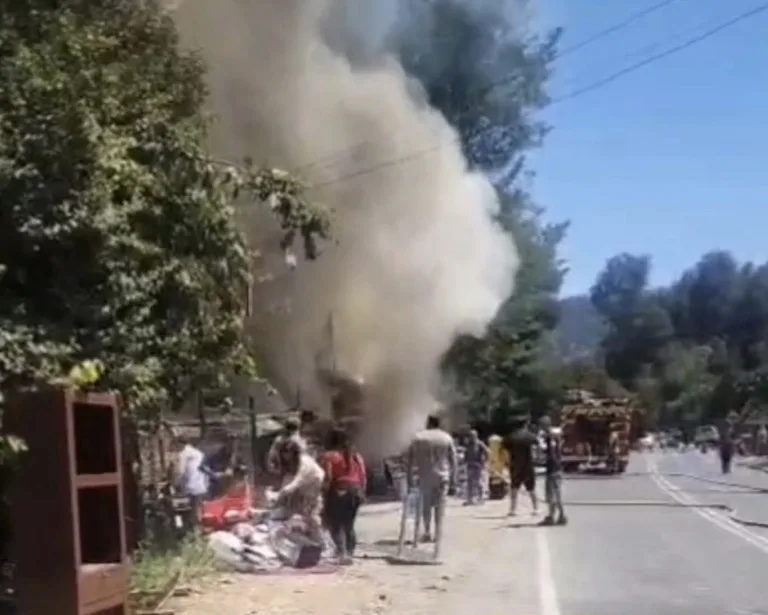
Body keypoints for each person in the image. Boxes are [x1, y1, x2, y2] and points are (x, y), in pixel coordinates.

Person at [406, 413, 457, 543]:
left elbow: (410, 460)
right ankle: (438, 533)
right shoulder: (446, 437)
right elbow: (453, 460)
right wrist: (454, 480)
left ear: (428, 423)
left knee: (426, 506)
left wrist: (410, 478)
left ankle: (427, 532)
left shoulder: (418, 437)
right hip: (442, 476)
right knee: (440, 506)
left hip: (425, 476)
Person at [321, 428, 367, 562]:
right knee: (349, 524)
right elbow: (363, 476)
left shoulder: (328, 456)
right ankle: (350, 553)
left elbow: (328, 477)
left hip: (338, 490)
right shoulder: (356, 456)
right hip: (356, 491)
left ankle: (341, 553)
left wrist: (324, 494)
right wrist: (363, 493)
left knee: (335, 524)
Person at [275, 439, 325, 541]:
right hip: (302, 493)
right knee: (301, 518)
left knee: (313, 518)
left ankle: (322, 543)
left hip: (313, 491)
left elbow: (299, 480)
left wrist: (283, 492)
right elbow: (288, 478)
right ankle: (311, 543)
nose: (285, 456)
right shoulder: (290, 464)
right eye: (283, 452)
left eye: (287, 452)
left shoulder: (304, 462)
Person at [504, 417, 538, 516]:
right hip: (528, 466)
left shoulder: (510, 437)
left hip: (515, 466)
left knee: (514, 488)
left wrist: (507, 463)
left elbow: (505, 451)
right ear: (525, 424)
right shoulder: (530, 436)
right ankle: (535, 509)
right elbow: (536, 449)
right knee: (531, 488)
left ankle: (513, 510)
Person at [172, 435, 209, 522]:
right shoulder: (198, 453)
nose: (175, 447)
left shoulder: (183, 454)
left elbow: (180, 471)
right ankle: (199, 527)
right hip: (200, 485)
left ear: (180, 444)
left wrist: (175, 483)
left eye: (176, 444)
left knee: (186, 510)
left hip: (189, 487)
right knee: (198, 508)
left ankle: (189, 528)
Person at [539, 416, 567, 526]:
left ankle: (552, 516)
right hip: (557, 468)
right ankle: (561, 516)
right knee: (557, 494)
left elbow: (552, 454)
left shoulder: (550, 437)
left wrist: (550, 461)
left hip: (553, 469)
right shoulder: (554, 436)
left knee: (551, 494)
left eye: (542, 425)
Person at [463, 430, 489, 505]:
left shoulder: (480, 443)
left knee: (479, 482)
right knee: (469, 482)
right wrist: (465, 460)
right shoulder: (468, 444)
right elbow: (466, 453)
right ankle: (470, 499)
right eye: (470, 436)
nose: (471, 437)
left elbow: (487, 452)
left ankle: (481, 498)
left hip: (478, 465)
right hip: (469, 465)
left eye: (472, 435)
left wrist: (483, 462)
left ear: (476, 436)